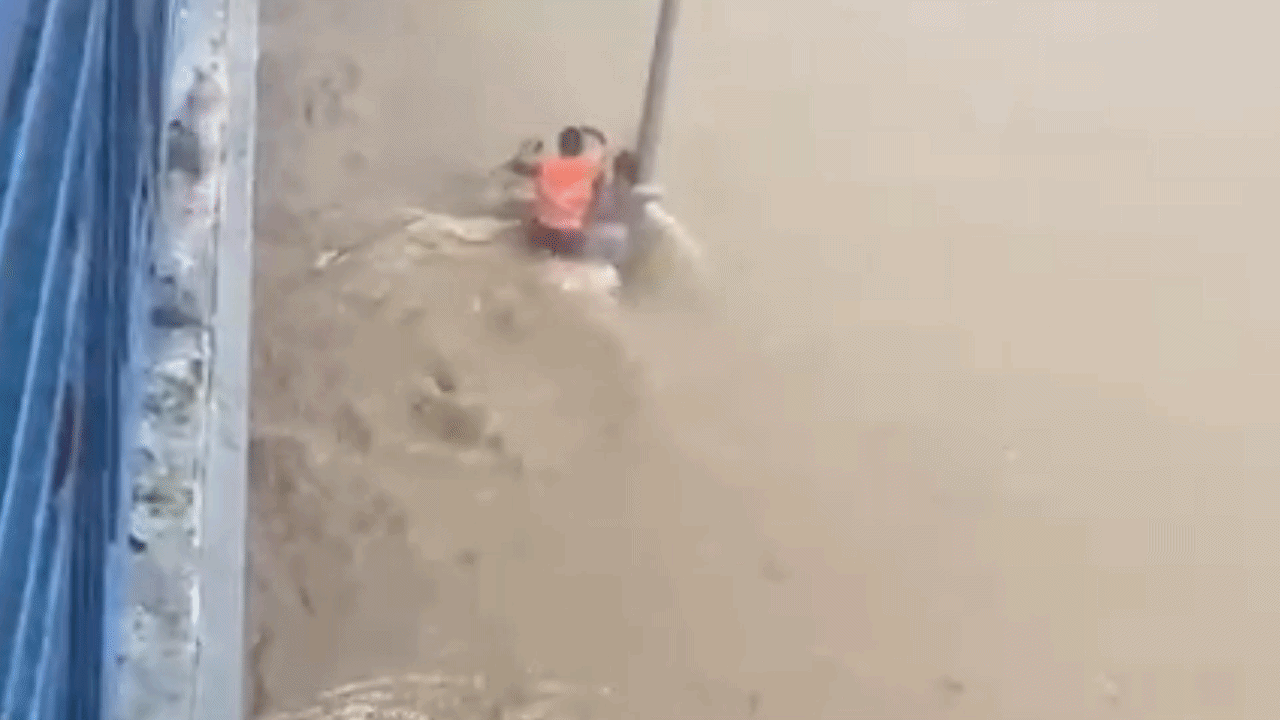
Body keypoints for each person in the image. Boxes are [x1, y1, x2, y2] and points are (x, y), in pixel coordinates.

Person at [510, 126, 607, 256]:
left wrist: (525, 150)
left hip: (544, 233)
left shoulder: (543, 166)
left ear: (560, 146)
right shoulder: (594, 170)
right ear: (580, 148)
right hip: (574, 235)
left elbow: (515, 167)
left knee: (524, 228)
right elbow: (596, 199)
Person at [582, 150, 639, 266]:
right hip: (621, 237)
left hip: (597, 234)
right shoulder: (635, 195)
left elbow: (590, 213)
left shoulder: (602, 189)